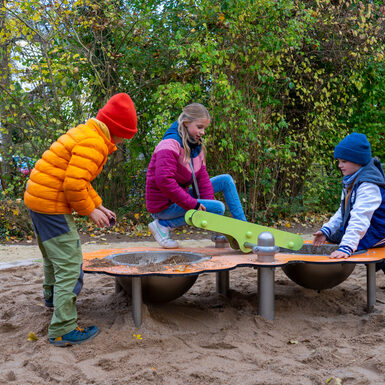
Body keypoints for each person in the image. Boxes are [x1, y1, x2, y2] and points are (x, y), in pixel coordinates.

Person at [24, 93, 137, 346]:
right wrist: (90, 211)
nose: (122, 141)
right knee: (71, 264)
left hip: (38, 198)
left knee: (54, 257)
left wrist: (98, 204)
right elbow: (73, 185)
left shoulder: (86, 132)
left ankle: (53, 299)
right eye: (124, 136)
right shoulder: (95, 143)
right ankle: (63, 329)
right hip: (51, 204)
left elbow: (79, 179)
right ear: (117, 130)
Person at [145, 103, 246, 248]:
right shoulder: (169, 144)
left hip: (179, 198)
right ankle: (163, 225)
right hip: (164, 207)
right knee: (219, 207)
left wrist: (207, 209)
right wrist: (195, 205)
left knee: (226, 180)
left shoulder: (195, 146)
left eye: (204, 128)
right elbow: (164, 181)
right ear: (186, 123)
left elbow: (202, 178)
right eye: (199, 127)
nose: (203, 132)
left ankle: (244, 228)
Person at [312, 132, 385, 272]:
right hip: (370, 226)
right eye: (339, 161)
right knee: (333, 236)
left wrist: (347, 247)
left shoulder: (368, 184)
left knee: (348, 240)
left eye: (344, 161)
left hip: (379, 230)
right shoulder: (351, 180)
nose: (340, 165)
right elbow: (343, 211)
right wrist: (326, 229)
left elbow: (360, 216)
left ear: (358, 161)